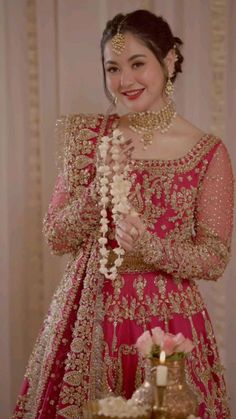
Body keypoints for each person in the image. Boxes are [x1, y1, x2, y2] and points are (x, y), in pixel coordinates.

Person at [14, 9, 234, 419]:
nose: (125, 81)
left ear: (169, 61)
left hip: (169, 324)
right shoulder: (89, 139)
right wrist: (98, 190)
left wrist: (152, 247)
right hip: (88, 317)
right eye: (113, 68)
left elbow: (215, 257)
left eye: (138, 64)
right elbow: (56, 236)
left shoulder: (208, 153)